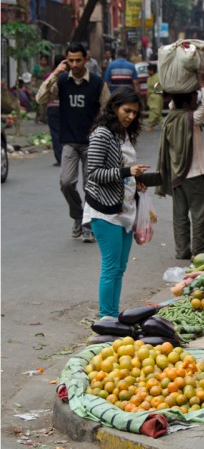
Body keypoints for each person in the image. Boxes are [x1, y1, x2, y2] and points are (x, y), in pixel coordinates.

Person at [83, 88, 152, 318]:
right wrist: (126, 171)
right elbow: (93, 173)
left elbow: (123, 173)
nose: (131, 116)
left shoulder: (124, 134)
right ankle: (107, 317)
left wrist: (136, 180)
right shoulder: (102, 134)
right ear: (114, 108)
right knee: (111, 268)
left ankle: (112, 314)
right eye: (127, 111)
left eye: (135, 112)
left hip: (125, 207)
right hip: (105, 210)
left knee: (120, 268)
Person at [36, 42, 110, 243]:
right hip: (69, 141)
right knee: (66, 182)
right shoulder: (61, 81)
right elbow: (40, 98)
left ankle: (87, 224)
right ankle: (78, 215)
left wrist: (111, 138)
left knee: (90, 185)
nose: (75, 64)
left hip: (92, 142)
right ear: (66, 61)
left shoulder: (97, 83)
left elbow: (109, 110)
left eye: (78, 60)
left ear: (86, 59)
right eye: (71, 60)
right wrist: (54, 73)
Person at [156, 68, 204, 260]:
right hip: (194, 175)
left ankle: (182, 250)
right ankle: (199, 250)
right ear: (189, 101)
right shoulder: (191, 119)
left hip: (175, 175)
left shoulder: (170, 118)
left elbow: (175, 103)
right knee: (199, 214)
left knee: (180, 214)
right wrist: (203, 84)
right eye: (193, 99)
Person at [43, 54, 65, 166]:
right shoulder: (68, 76)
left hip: (52, 107)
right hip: (66, 108)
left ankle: (59, 158)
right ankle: (68, 158)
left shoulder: (49, 76)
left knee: (55, 134)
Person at [145, 64, 163, 131]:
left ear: (152, 70)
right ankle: (164, 125)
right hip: (152, 97)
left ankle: (151, 125)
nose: (147, 72)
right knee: (157, 113)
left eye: (148, 70)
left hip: (156, 96)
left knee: (154, 111)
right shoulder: (150, 78)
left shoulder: (157, 78)